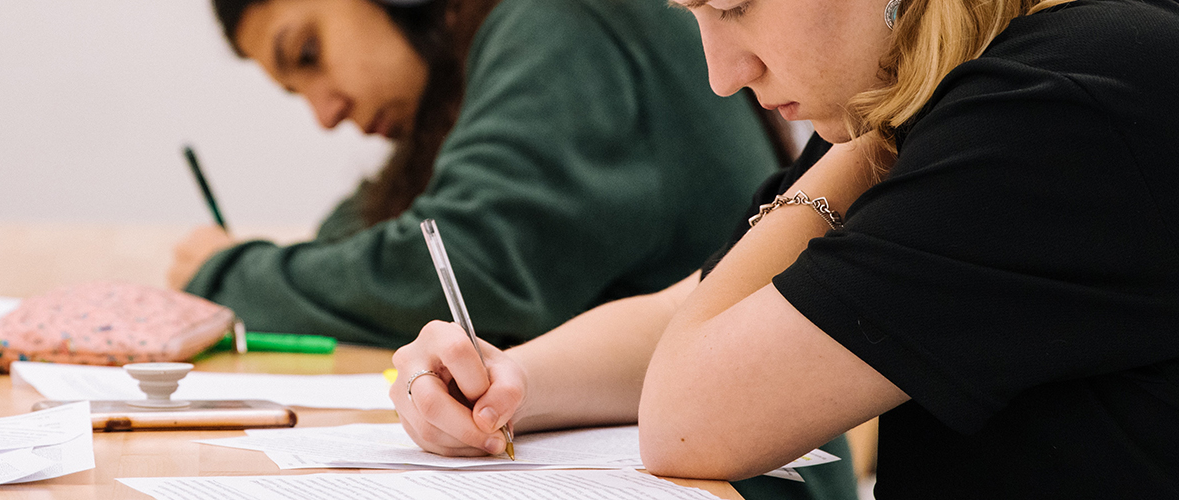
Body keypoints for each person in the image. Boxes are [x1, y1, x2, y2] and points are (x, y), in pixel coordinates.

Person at [391, 0, 1179, 497]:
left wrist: (868, 144)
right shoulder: (939, 90)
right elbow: (703, 313)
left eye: (735, 8)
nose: (722, 75)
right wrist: (506, 379)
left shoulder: (1062, 96)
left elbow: (690, 416)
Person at [166, 0, 785, 352]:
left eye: (308, 54)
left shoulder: (561, 21)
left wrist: (225, 274)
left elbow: (464, 269)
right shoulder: (482, 57)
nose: (326, 114)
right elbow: (353, 242)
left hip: (733, 483)